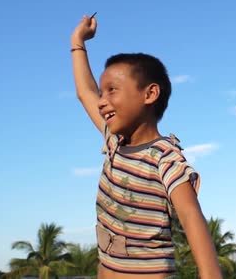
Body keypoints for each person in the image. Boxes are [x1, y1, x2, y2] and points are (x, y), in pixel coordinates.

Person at [71, 14, 222, 279]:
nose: (101, 100)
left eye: (112, 90)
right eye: (102, 92)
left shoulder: (164, 158)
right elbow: (85, 92)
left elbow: (190, 216)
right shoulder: (114, 141)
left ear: (150, 94)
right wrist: (77, 42)